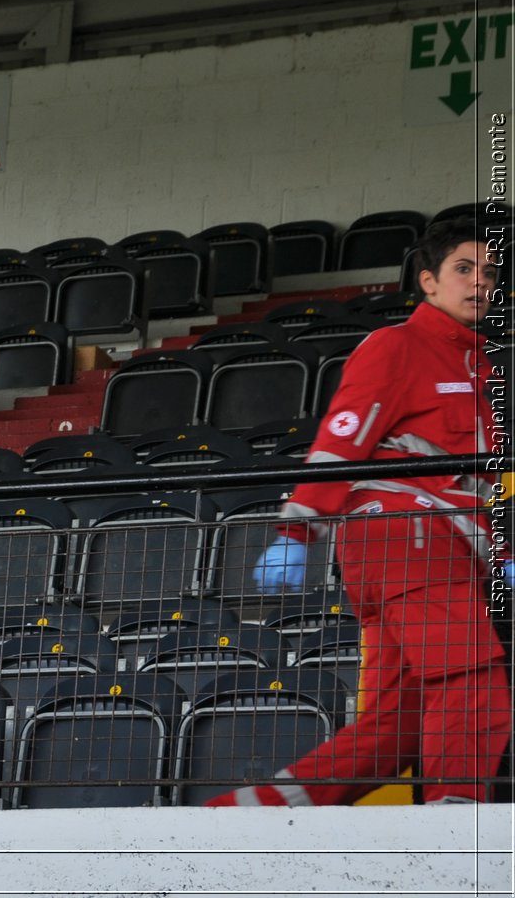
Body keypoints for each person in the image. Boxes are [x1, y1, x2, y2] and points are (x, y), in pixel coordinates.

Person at [209, 218, 510, 806]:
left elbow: (479, 483)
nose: (481, 283)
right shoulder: (397, 346)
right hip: (409, 544)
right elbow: (342, 437)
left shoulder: (479, 371)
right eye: (464, 269)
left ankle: (238, 820)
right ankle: (456, 828)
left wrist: (504, 554)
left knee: (394, 730)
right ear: (428, 281)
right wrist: (298, 529)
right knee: (475, 684)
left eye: (491, 273)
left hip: (441, 555)